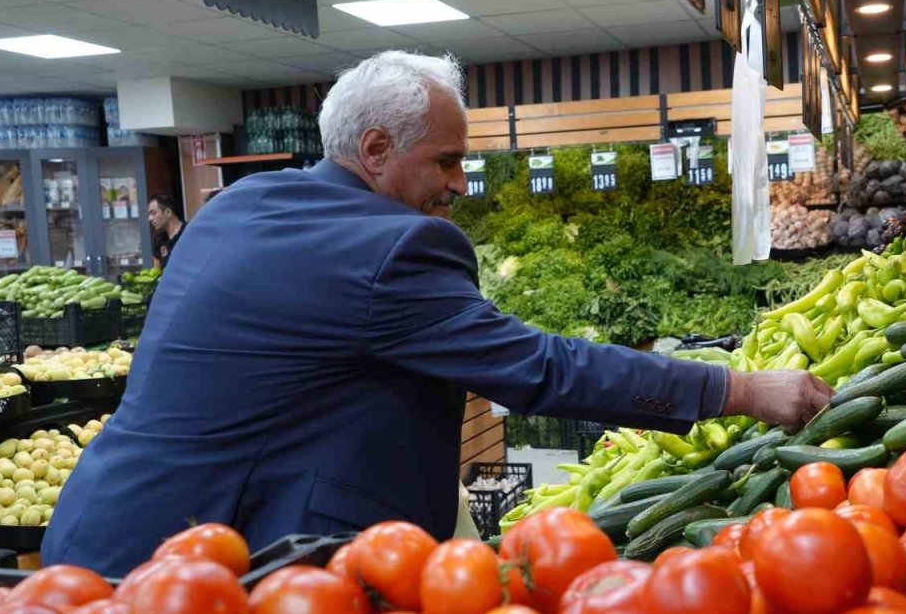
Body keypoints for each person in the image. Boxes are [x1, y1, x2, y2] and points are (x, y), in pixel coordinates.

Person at [41, 51, 832, 576]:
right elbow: (540, 370)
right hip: (208, 564)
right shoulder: (393, 247)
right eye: (447, 161)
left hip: (107, 530)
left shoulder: (239, 202)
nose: (459, 185)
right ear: (377, 149)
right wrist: (739, 391)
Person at [146, 193, 185, 270]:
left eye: (153, 213)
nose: (150, 218)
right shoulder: (159, 240)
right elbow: (156, 273)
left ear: (168, 212)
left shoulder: (189, 233)